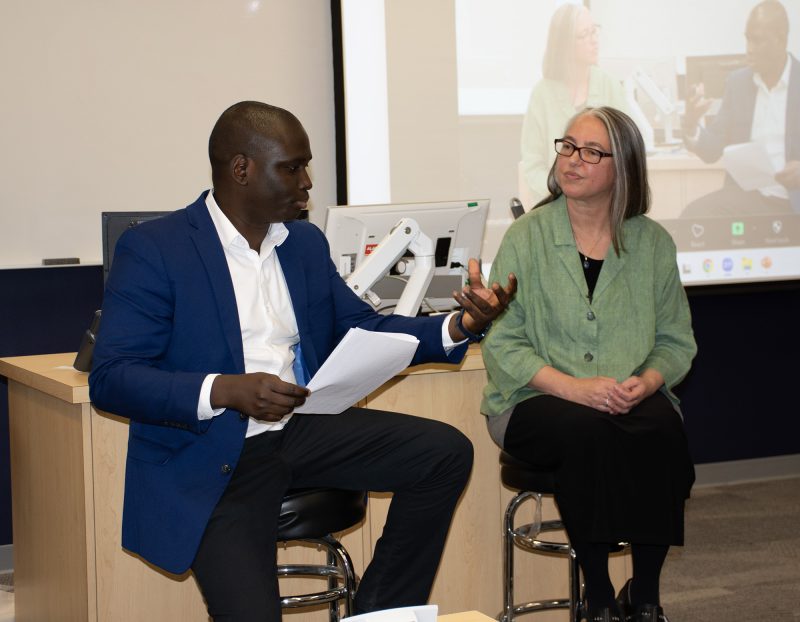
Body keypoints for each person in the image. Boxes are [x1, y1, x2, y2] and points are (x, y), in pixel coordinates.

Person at [89, 100, 517, 621]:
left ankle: (379, 612)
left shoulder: (303, 244)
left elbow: (360, 326)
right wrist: (225, 389)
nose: (308, 182)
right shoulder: (156, 248)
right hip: (215, 452)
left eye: (306, 165)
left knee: (443, 452)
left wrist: (459, 326)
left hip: (300, 431)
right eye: (291, 167)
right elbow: (113, 378)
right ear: (241, 169)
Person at [483, 106, 696, 622]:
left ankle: (644, 596)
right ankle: (598, 596)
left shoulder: (651, 243)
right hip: (533, 401)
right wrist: (575, 389)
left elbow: (676, 341)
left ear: (622, 168)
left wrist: (646, 383)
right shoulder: (526, 237)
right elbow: (503, 343)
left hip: (626, 396)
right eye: (567, 147)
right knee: (586, 432)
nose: (572, 161)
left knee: (664, 428)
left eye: (591, 152)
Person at [681, 0, 800, 217]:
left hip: (794, 199)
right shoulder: (738, 84)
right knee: (692, 216)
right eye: (748, 39)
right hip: (747, 198)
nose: (749, 49)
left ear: (781, 40)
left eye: (758, 41)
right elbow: (712, 150)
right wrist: (691, 124)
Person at [520, 4, 632, 206]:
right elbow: (532, 163)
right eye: (584, 35)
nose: (594, 40)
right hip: (554, 203)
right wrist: (558, 192)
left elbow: (626, 154)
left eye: (594, 31)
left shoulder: (610, 86)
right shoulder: (542, 94)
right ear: (565, 45)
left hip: (603, 206)